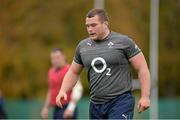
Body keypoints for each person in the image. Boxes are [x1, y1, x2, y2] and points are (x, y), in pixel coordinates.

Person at [56, 9, 150, 119]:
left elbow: (142, 68)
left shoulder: (124, 42)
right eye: (87, 26)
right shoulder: (83, 46)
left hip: (121, 101)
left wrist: (145, 96)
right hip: (96, 104)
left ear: (105, 24)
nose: (90, 29)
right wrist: (63, 90)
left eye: (93, 25)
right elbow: (73, 72)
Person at [41, 48, 83, 119]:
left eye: (57, 58)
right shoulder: (51, 71)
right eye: (53, 58)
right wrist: (46, 108)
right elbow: (51, 90)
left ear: (64, 57)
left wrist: (70, 108)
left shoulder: (71, 70)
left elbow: (78, 89)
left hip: (67, 107)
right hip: (56, 108)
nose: (55, 61)